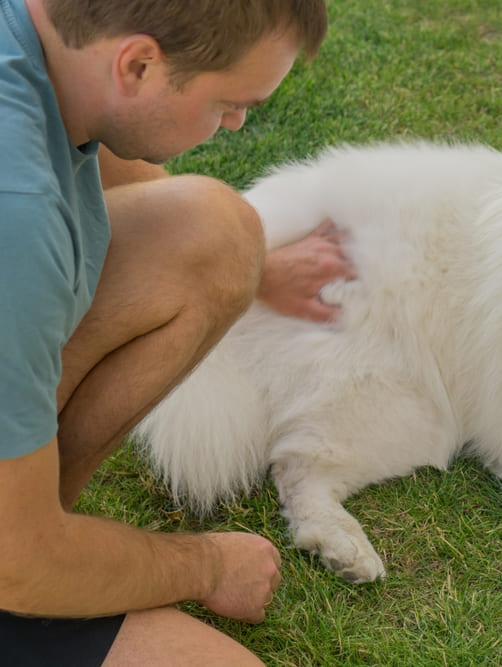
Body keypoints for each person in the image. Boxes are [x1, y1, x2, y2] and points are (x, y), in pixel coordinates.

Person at [0, 1, 355, 664]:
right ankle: (43, 535)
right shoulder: (15, 223)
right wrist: (205, 566)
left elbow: (113, 144)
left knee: (213, 234)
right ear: (136, 63)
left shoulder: (42, 37)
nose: (237, 122)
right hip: (8, 555)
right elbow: (13, 560)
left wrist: (253, 267)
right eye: (228, 102)